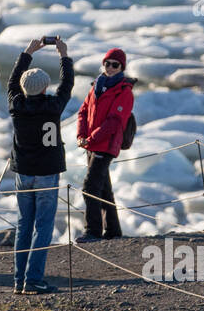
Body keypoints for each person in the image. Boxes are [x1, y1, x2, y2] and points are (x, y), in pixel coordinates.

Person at [7, 37, 74, 294]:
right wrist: (64, 55)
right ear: (46, 87)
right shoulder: (53, 106)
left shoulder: (16, 105)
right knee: (43, 225)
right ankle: (34, 279)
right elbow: (67, 84)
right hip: (47, 173)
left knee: (24, 224)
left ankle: (19, 280)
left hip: (24, 172)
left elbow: (12, 83)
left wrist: (28, 52)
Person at [75, 47, 135, 242]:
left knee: (90, 187)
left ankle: (92, 231)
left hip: (106, 145)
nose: (110, 68)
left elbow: (114, 121)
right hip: (91, 144)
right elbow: (83, 111)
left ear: (121, 67)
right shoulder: (96, 86)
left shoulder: (124, 92)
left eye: (115, 65)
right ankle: (113, 231)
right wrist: (81, 135)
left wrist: (91, 138)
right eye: (107, 63)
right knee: (103, 189)